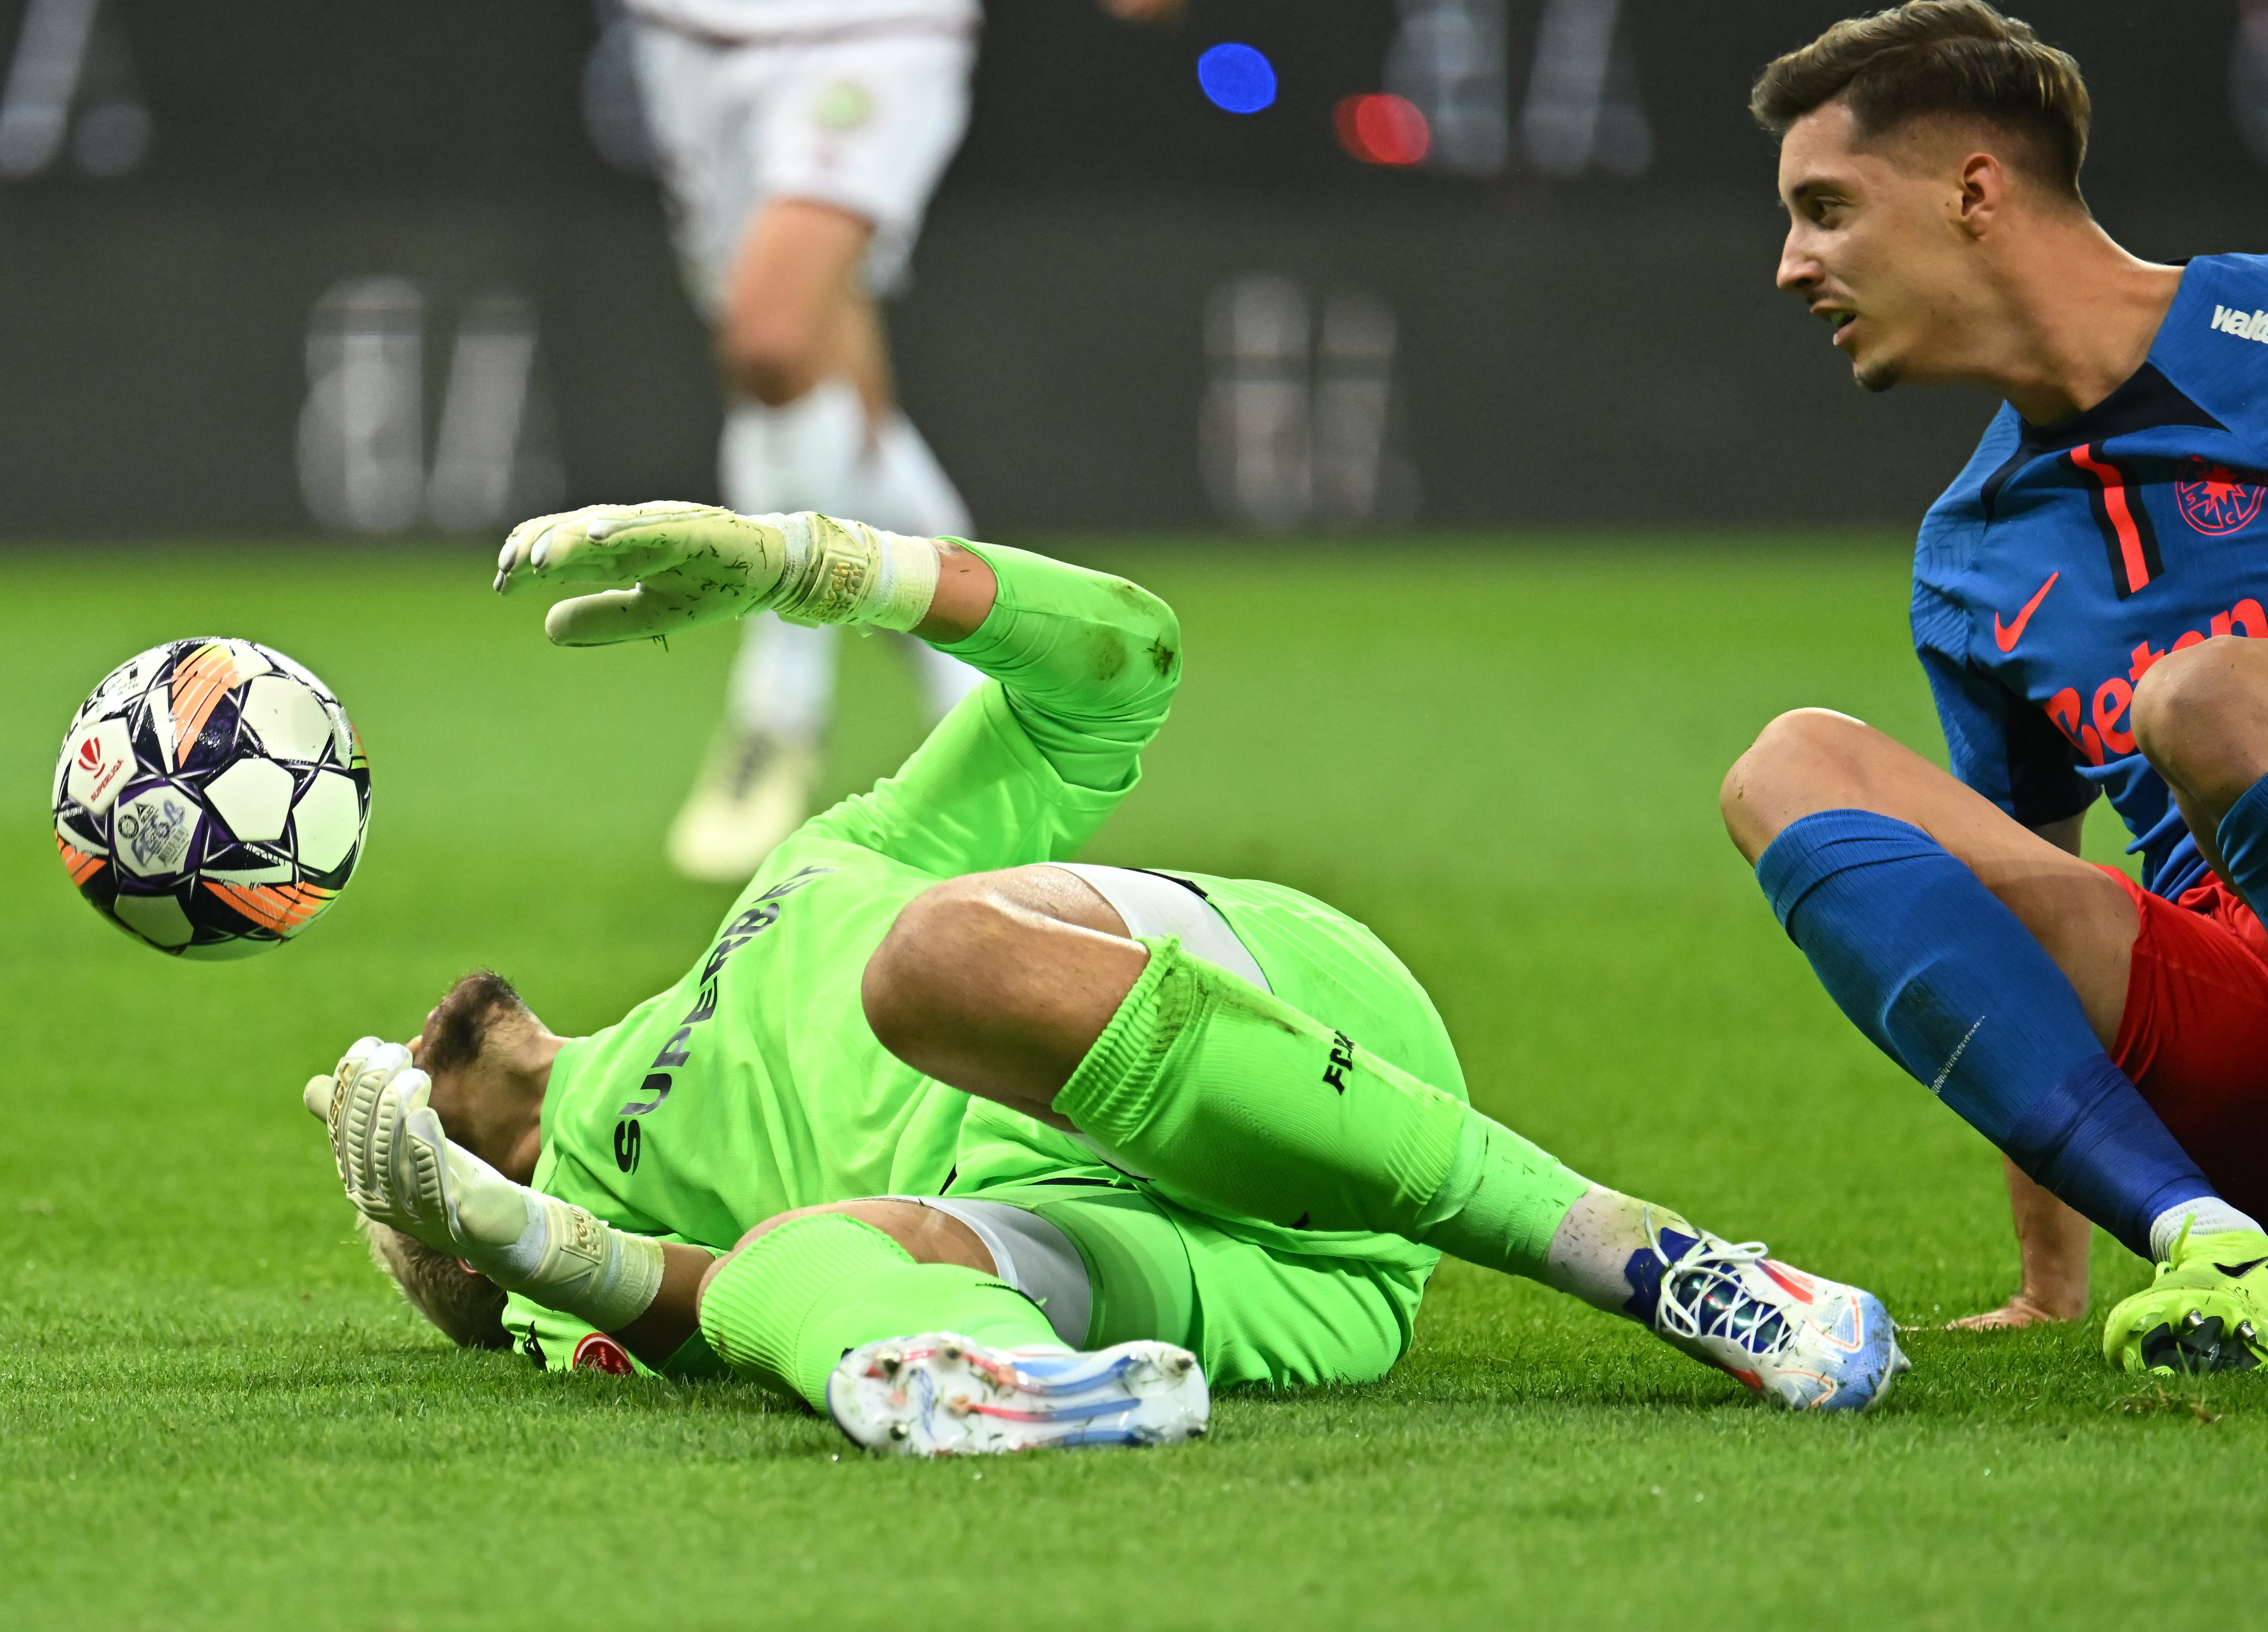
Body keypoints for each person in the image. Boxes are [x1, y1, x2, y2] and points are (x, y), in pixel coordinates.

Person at [307, 503, 1904, 1458]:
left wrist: (813, 564)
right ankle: (991, 1385)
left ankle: (1640, 1255)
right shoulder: (558, 1249)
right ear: (461, 1178)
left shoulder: (821, 866)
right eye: (387, 1135)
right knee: (785, 1263)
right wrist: (501, 1237)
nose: (386, 1053)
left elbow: (1120, 665)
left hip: (1294, 1026)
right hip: (1255, 1284)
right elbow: (682, 1317)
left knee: (933, 954)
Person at [1723, 0, 2268, 1377]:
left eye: (1826, 209)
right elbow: (2016, 909)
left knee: (2206, 702)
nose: (1790, 267)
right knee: (1793, 762)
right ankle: (2207, 1233)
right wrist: (2047, 1282)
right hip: (2236, 1020)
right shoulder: (1971, 557)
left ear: (1974, 191)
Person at [620, 0, 1191, 883]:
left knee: (770, 338)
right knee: (826, 387)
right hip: (691, 7)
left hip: (877, 0)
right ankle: (982, 696)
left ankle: (780, 708)